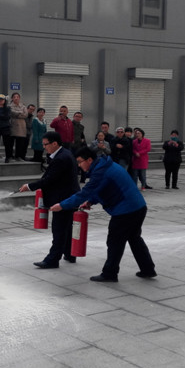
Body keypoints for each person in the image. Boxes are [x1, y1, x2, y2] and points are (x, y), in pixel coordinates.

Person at [51, 147, 158, 283]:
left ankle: (110, 273)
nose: (79, 165)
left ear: (89, 160)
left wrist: (62, 205)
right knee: (135, 239)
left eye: (80, 162)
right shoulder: (105, 166)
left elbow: (84, 193)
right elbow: (102, 189)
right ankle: (148, 269)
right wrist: (91, 201)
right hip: (138, 207)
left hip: (126, 210)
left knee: (114, 241)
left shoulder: (101, 172)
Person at [18, 131, 80, 269]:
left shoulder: (61, 158)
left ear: (54, 143)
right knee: (67, 228)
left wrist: (29, 186)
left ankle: (52, 259)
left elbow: (48, 180)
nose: (44, 147)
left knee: (59, 230)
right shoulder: (64, 153)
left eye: (46, 144)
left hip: (63, 198)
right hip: (69, 196)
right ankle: (70, 254)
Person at [9, 92, 28, 161]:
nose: (16, 98)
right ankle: (10, 156)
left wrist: (17, 114)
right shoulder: (9, 106)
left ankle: (18, 156)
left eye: (17, 97)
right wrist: (20, 113)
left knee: (20, 143)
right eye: (14, 97)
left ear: (19, 98)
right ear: (12, 98)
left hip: (21, 126)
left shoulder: (23, 106)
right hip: (13, 125)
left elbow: (25, 115)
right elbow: (11, 113)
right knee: (10, 142)